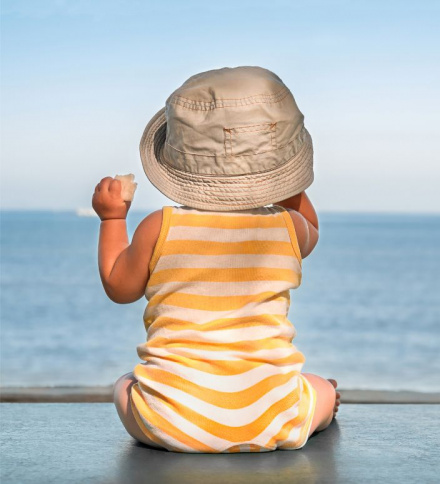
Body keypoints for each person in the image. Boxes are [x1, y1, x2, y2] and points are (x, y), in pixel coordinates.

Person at [91, 66, 339, 453]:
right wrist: (287, 185)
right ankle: (319, 409)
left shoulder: (160, 227)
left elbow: (119, 287)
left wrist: (112, 219)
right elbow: (312, 227)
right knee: (319, 387)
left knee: (124, 385)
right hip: (273, 420)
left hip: (171, 422)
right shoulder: (289, 228)